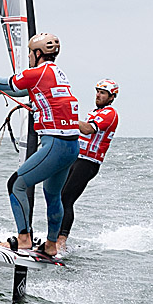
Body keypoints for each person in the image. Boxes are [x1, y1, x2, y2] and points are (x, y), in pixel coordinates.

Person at [0, 33, 80, 257]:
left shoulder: (37, 72)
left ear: (38, 54)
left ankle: (24, 238)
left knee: (16, 184)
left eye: (30, 53)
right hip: (71, 146)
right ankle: (51, 245)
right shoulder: (57, 74)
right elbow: (18, 90)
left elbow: (4, 82)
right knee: (52, 194)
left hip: (54, 144)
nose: (28, 56)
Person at [57, 79, 120, 254]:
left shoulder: (110, 114)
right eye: (97, 91)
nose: (98, 95)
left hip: (88, 163)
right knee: (59, 197)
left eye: (103, 93)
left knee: (67, 199)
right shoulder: (94, 112)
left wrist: (66, 116)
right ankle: (53, 237)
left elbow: (86, 130)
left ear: (111, 97)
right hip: (76, 159)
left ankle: (61, 241)